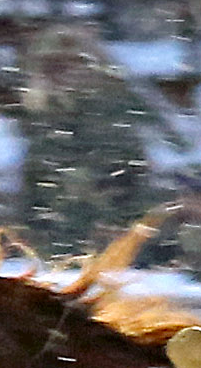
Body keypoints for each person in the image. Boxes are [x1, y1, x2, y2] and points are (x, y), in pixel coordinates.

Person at [17, 24, 158, 256]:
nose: (63, 74)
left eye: (72, 64)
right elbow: (32, 185)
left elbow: (136, 177)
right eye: (53, 66)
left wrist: (122, 226)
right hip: (55, 242)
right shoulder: (39, 115)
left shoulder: (112, 110)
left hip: (110, 239)